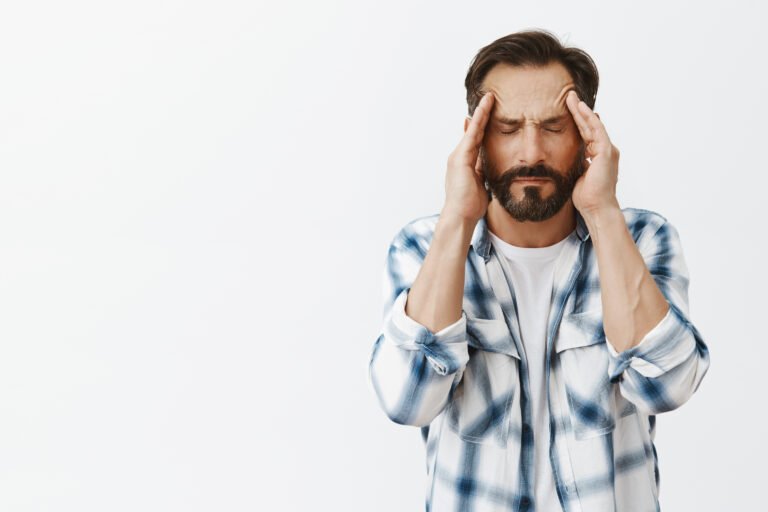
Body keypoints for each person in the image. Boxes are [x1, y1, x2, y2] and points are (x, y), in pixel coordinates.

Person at [367, 29, 710, 512]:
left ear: (587, 134)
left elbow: (667, 386)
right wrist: (457, 218)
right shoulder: (425, 246)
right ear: (476, 138)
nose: (531, 153)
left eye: (553, 127)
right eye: (507, 129)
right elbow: (406, 400)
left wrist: (603, 212)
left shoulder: (643, 240)